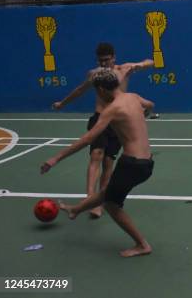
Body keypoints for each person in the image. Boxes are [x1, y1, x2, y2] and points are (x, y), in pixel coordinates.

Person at [42, 68, 155, 258]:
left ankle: (142, 245)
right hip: (146, 163)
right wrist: (144, 114)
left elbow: (88, 139)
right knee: (108, 191)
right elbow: (150, 104)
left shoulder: (112, 109)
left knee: (111, 205)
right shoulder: (134, 97)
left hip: (131, 164)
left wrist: (56, 158)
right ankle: (76, 209)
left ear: (101, 90)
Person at [52, 42, 154, 218]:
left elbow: (150, 61)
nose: (104, 64)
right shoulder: (94, 74)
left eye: (107, 60)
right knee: (96, 155)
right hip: (99, 117)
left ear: (114, 57)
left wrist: (139, 65)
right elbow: (79, 90)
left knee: (108, 162)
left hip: (117, 122)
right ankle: (88, 199)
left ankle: (99, 202)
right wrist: (62, 103)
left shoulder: (125, 69)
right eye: (101, 61)